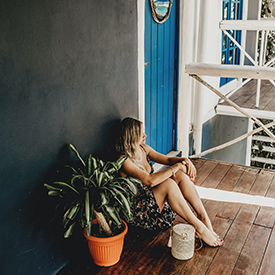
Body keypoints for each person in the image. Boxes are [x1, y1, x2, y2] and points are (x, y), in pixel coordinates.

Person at [115, 117, 223, 247]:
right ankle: (200, 228)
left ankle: (203, 217)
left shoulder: (143, 148)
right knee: (169, 183)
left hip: (152, 201)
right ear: (131, 136)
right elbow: (149, 181)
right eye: (141, 133)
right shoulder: (124, 160)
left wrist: (184, 160)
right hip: (139, 212)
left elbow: (167, 160)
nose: (145, 135)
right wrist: (177, 166)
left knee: (179, 175)